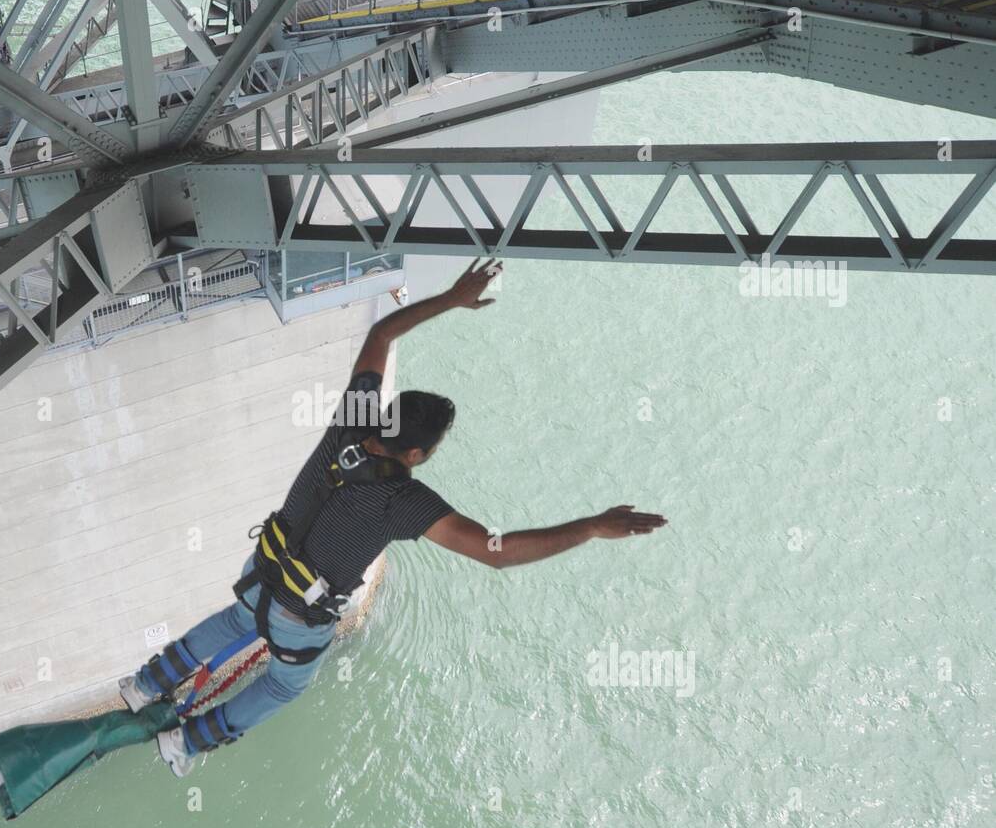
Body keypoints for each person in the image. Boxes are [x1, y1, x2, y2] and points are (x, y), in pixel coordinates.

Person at [121, 258, 668, 776]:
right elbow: (497, 554)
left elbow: (381, 336)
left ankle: (146, 684)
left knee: (240, 617)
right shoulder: (407, 502)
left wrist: (452, 299)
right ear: (417, 456)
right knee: (285, 685)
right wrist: (591, 527)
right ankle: (185, 741)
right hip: (299, 614)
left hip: (262, 567)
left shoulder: (350, 425)